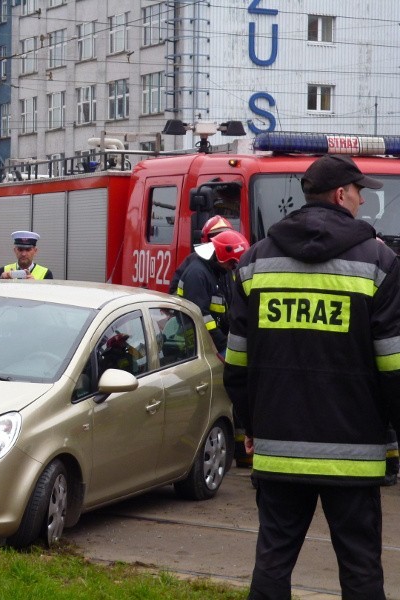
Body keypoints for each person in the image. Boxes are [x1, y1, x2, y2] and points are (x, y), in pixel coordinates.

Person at [223, 154, 400, 599]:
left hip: (277, 448)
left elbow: (237, 363)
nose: (361, 202)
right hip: (354, 451)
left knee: (273, 564)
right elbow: (393, 366)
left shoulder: (255, 261)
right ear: (341, 195)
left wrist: (250, 424)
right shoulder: (379, 262)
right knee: (360, 569)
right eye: (360, 193)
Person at [172, 229, 249, 355]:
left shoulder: (216, 271)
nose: (232, 267)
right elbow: (201, 317)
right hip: (201, 343)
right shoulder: (197, 274)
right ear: (221, 256)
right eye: (231, 262)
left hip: (214, 338)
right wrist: (223, 343)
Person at [168, 215, 234, 295]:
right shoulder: (197, 271)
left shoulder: (225, 267)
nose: (222, 243)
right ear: (207, 240)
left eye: (226, 238)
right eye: (218, 238)